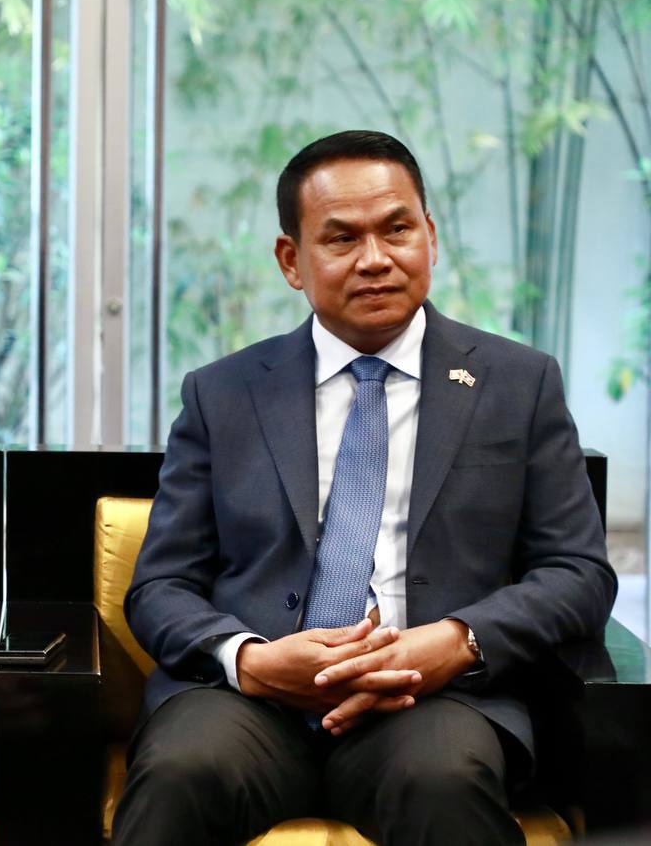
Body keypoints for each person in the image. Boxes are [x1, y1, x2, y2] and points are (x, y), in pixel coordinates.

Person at [112, 130, 615, 845]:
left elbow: (578, 573)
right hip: (250, 706)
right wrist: (250, 659)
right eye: (342, 238)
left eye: (397, 230)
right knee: (179, 770)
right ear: (292, 259)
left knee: (444, 779)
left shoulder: (518, 384)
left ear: (430, 237)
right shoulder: (222, 394)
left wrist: (455, 641)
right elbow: (159, 586)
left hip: (435, 699)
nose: (375, 258)